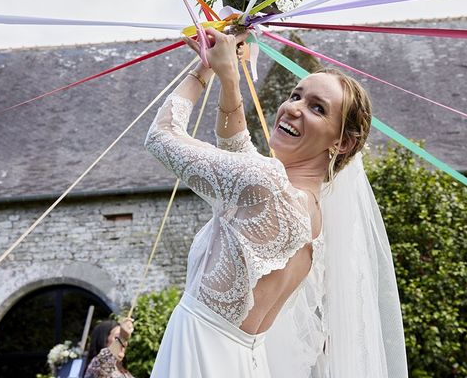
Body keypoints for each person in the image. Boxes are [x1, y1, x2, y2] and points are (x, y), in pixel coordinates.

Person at [145, 28, 407, 377]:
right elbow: (237, 151)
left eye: (317, 108)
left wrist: (200, 71)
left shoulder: (267, 185)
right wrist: (228, 77)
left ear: (341, 143)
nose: (293, 108)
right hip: (240, 362)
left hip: (199, 356)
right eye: (296, 95)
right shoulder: (310, 212)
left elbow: (161, 136)